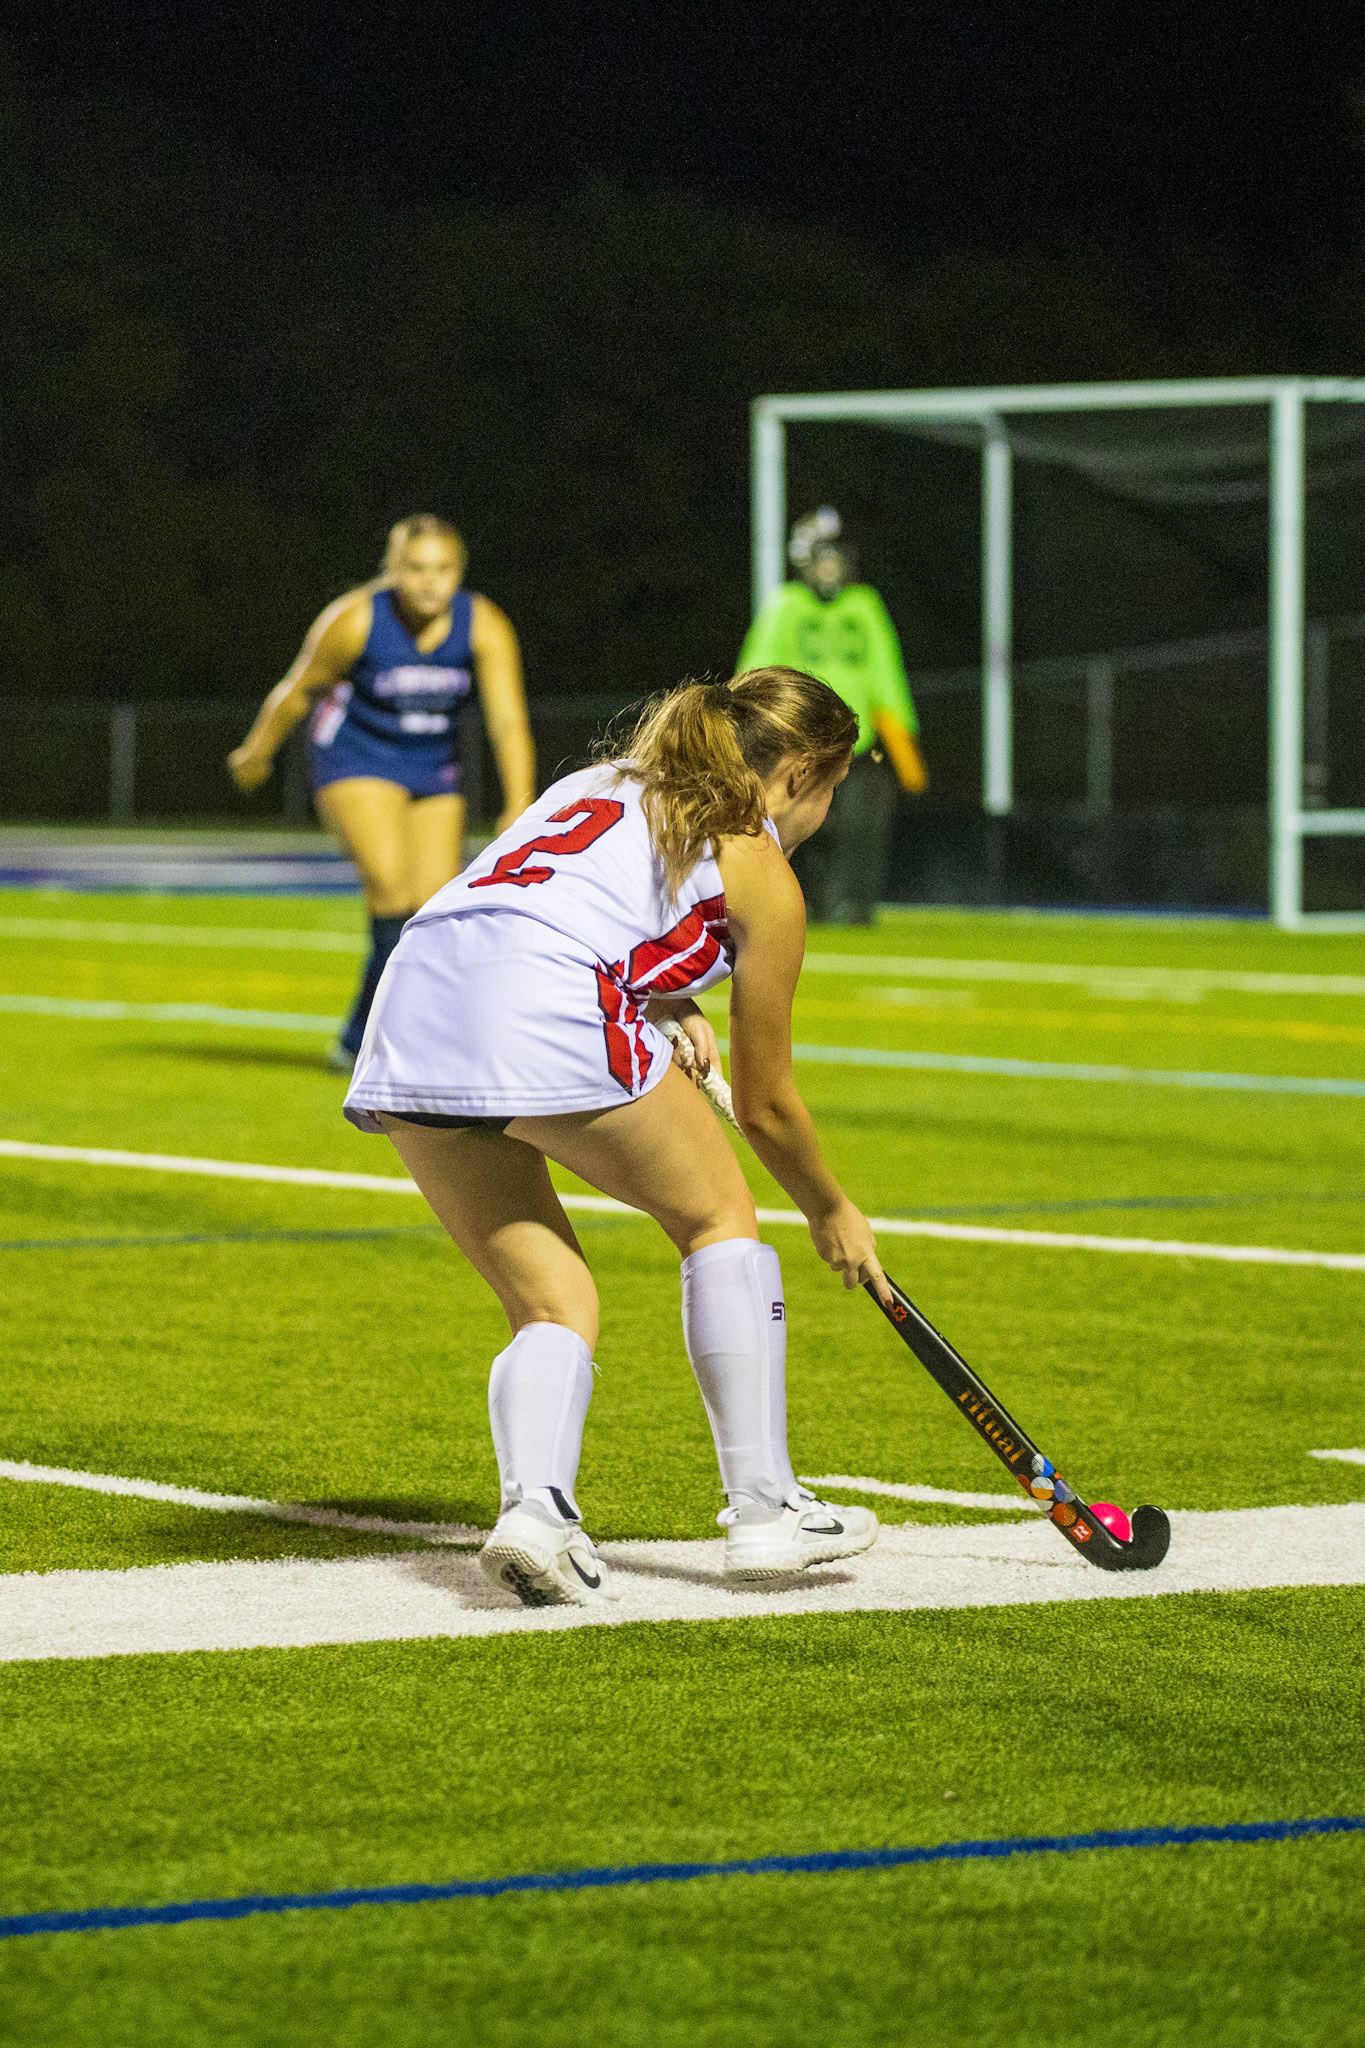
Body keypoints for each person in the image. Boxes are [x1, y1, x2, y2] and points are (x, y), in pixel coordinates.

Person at [342, 666, 892, 1608]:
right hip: (545, 1001)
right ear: (800, 773)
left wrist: (663, 999)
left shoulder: (603, 782)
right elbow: (766, 1106)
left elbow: (546, 903)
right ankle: (766, 1511)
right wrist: (830, 1209)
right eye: (832, 788)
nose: (824, 812)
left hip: (414, 1001)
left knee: (550, 1300)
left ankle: (536, 1518)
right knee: (718, 1218)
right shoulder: (760, 868)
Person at [228, 515, 536, 1069]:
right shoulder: (355, 619)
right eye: (416, 568)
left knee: (435, 912)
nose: (430, 581)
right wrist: (257, 751)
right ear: (394, 570)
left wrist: (519, 802)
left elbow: (507, 719)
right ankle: (370, 1043)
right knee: (392, 889)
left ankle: (369, 1038)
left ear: (460, 572)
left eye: (443, 569)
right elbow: (298, 690)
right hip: (355, 756)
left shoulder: (484, 623)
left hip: (432, 765)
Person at [738, 507, 927, 924]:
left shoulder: (864, 606)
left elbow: (886, 674)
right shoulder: (787, 605)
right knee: (796, 825)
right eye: (823, 559)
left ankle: (853, 904)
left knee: (863, 827)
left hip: (858, 747)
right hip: (799, 747)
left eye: (836, 559)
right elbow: (759, 672)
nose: (830, 568)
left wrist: (904, 743)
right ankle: (797, 900)